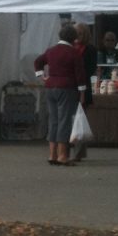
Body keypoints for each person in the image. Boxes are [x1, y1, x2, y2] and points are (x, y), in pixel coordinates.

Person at [34, 25, 87, 166]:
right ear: (73, 38)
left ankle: (52, 154)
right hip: (67, 88)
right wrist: (82, 92)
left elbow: (38, 61)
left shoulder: (51, 51)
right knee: (64, 120)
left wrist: (42, 76)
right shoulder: (74, 53)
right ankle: (62, 155)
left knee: (54, 120)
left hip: (50, 87)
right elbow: (80, 74)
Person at [71, 23, 97, 162]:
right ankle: (69, 150)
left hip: (83, 88)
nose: (77, 36)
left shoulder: (90, 49)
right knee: (70, 119)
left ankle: (78, 152)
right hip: (69, 87)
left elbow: (91, 69)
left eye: (80, 33)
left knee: (80, 120)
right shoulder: (69, 48)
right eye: (75, 33)